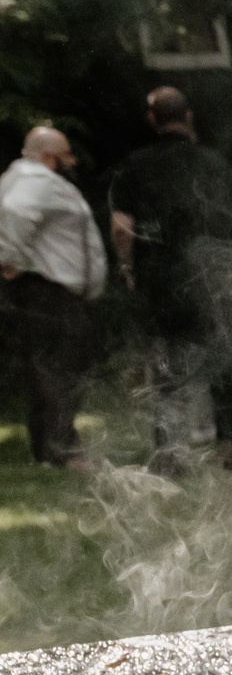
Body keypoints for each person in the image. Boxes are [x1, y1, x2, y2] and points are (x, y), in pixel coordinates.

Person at [108, 86, 232, 468]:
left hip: (161, 277)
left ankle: (169, 449)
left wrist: (128, 268)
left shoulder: (135, 165)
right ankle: (230, 445)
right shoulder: (214, 163)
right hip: (213, 275)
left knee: (165, 362)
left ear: (152, 119)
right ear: (188, 116)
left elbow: (122, 228)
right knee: (222, 358)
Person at [0, 126, 107, 468]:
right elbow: (16, 211)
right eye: (66, 154)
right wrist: (11, 259)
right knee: (61, 369)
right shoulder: (37, 181)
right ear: (48, 158)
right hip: (49, 292)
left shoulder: (24, 178)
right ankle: (64, 450)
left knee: (45, 369)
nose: (72, 160)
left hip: (43, 291)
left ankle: (47, 449)